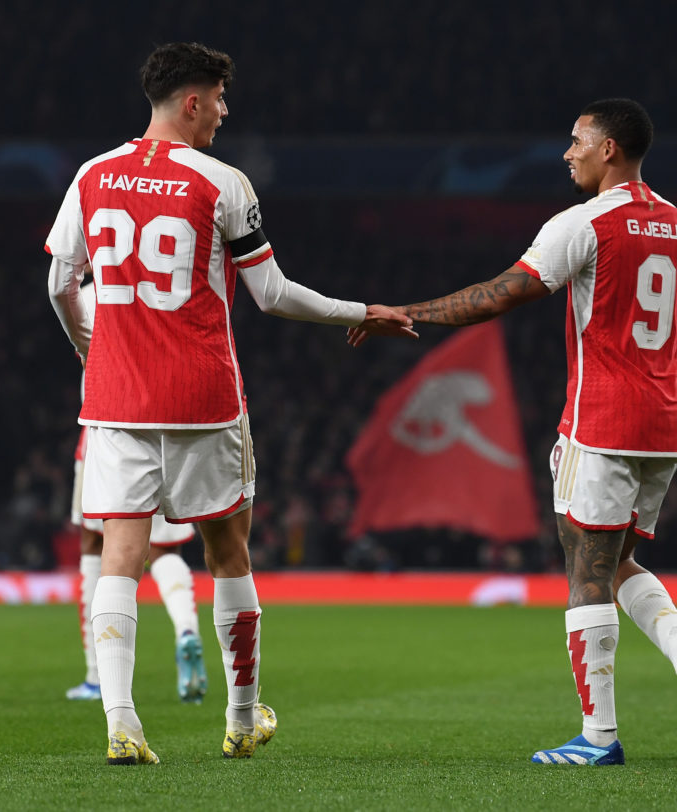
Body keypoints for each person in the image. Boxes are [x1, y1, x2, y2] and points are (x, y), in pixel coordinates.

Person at [46, 41, 415, 766]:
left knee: (119, 556)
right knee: (228, 552)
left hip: (115, 402)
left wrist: (92, 348)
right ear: (191, 101)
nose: (224, 109)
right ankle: (242, 717)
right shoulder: (222, 183)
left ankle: (121, 720)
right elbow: (272, 294)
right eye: (218, 97)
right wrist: (358, 311)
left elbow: (62, 283)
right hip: (204, 399)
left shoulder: (90, 176)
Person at [350, 98, 677, 766]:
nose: (567, 152)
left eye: (577, 140)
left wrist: (409, 312)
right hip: (667, 419)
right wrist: (652, 383)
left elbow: (503, 293)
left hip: (603, 416)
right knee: (618, 565)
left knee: (585, 568)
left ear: (610, 148)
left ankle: (600, 739)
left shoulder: (584, 223)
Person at [67, 421, 207, 705]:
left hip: (109, 430)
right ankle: (186, 627)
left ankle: (97, 677)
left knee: (98, 545)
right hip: (169, 431)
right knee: (164, 550)